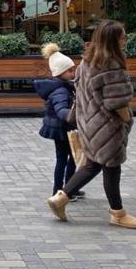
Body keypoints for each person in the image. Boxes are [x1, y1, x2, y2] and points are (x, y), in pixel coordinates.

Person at [47, 20, 136, 229]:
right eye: (122, 37)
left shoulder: (87, 62)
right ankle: (118, 213)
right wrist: (127, 118)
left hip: (90, 123)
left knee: (92, 164)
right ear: (112, 40)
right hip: (108, 125)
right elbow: (116, 101)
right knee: (111, 166)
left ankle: (61, 197)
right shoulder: (111, 65)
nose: (125, 40)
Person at [34, 43, 80, 198]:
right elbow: (61, 111)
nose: (74, 72)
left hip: (59, 128)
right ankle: (66, 190)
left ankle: (63, 188)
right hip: (63, 128)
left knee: (65, 158)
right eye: (70, 70)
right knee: (69, 158)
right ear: (60, 72)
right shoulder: (60, 90)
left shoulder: (63, 86)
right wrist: (74, 115)